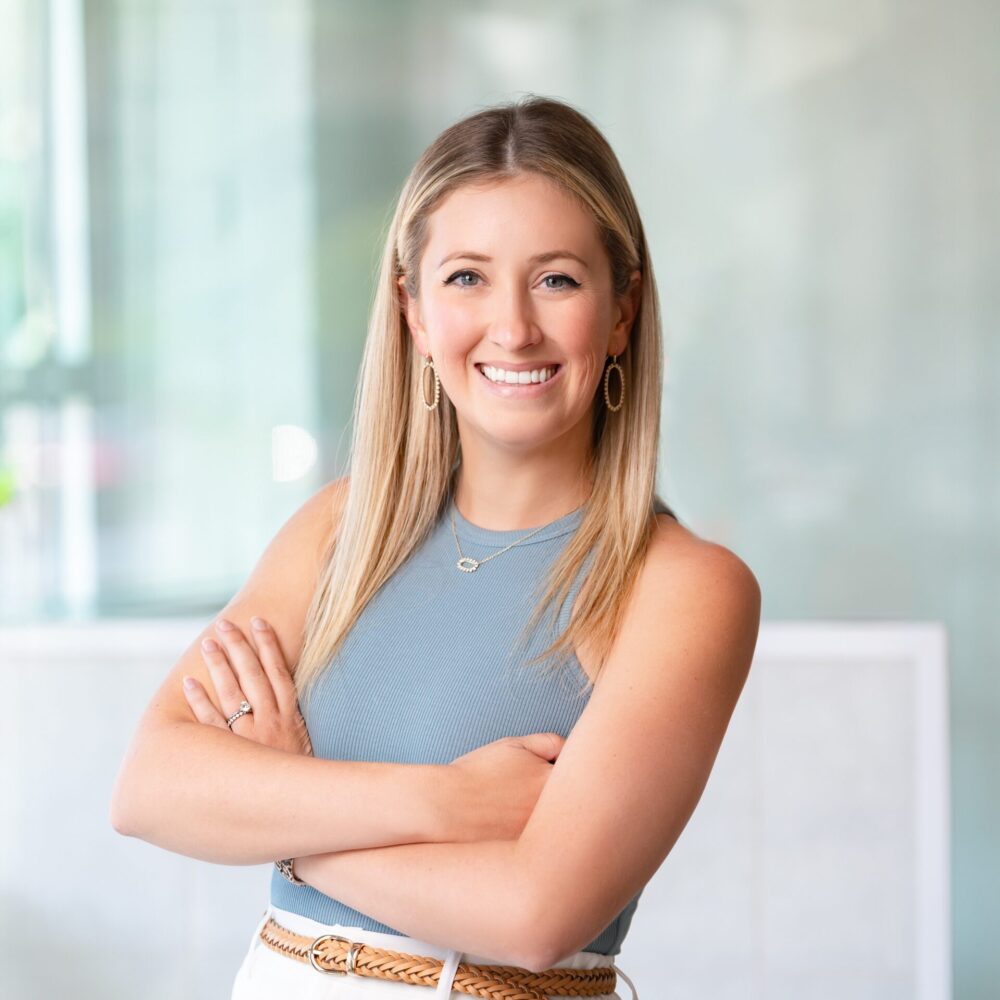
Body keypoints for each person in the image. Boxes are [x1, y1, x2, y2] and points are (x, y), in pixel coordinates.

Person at [110, 94, 761, 999]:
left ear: (621, 313)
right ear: (413, 311)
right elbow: (150, 785)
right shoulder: (341, 529)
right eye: (466, 278)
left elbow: (535, 915)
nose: (514, 328)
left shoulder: (683, 587)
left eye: (558, 279)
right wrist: (438, 803)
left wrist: (283, 819)